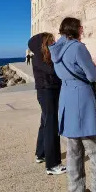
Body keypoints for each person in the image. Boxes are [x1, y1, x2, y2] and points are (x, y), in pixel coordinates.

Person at [49, 17, 96, 192]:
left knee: (73, 154)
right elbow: (92, 75)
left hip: (66, 100)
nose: (82, 29)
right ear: (76, 29)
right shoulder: (78, 48)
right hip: (83, 101)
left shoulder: (55, 49)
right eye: (81, 27)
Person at [28, 33, 66, 175]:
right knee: (51, 126)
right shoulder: (39, 57)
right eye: (51, 41)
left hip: (47, 92)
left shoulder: (43, 56)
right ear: (43, 43)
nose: (53, 43)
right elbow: (52, 71)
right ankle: (53, 164)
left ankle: (41, 154)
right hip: (47, 92)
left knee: (45, 123)